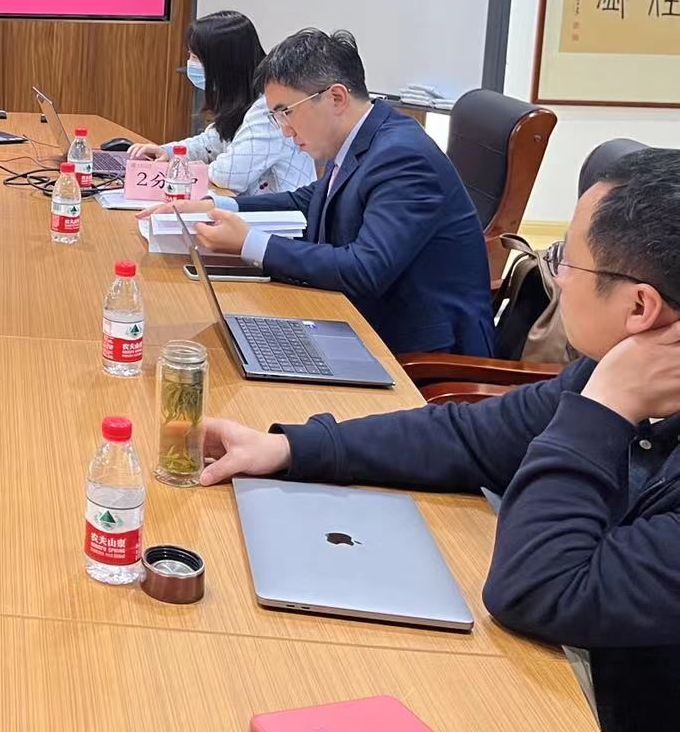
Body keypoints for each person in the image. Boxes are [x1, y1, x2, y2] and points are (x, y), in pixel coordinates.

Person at [199, 148, 680, 732]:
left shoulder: (613, 388)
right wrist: (290, 449)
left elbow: (538, 590)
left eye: (565, 261)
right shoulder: (611, 371)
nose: (555, 277)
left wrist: (603, 410)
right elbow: (470, 436)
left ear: (640, 306)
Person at [142, 28, 491, 355]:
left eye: (286, 113)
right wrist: (214, 206)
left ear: (336, 97)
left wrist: (250, 242)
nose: (285, 130)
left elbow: (365, 269)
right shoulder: (365, 138)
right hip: (361, 323)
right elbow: (307, 200)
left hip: (417, 352)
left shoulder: (402, 157)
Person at [128, 10, 314, 197]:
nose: (189, 63)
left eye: (196, 57)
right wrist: (169, 152)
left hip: (281, 214)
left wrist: (181, 169)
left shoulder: (268, 109)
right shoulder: (241, 100)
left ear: (223, 65)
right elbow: (211, 142)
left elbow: (229, 175)